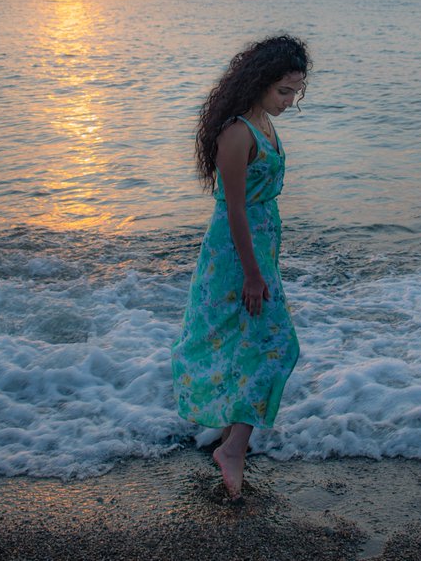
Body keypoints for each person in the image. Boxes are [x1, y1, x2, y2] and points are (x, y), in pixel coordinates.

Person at [171, 35, 309, 500]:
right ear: (258, 82)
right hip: (235, 255)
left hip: (259, 248)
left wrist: (265, 262)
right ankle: (233, 450)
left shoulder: (264, 124)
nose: (289, 102)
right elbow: (234, 211)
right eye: (283, 92)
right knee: (275, 344)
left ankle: (233, 440)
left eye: (296, 92)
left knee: (249, 342)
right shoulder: (237, 132)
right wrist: (252, 273)